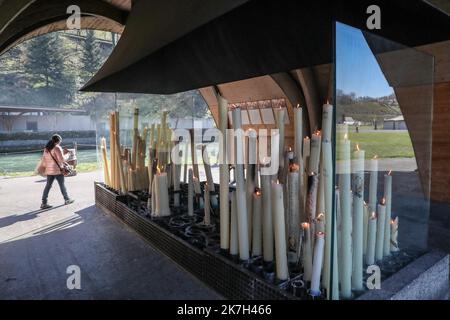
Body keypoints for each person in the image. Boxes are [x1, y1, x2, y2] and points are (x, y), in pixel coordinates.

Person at [40, 134, 74, 209]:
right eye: (60, 141)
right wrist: (68, 154)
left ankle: (44, 203)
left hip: (49, 171)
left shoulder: (46, 148)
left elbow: (44, 159)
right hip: (57, 170)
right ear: (58, 141)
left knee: (48, 186)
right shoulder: (57, 147)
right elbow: (62, 159)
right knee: (62, 185)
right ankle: (67, 199)